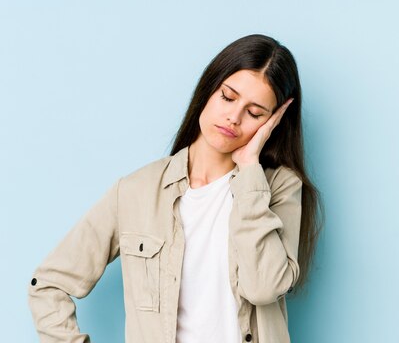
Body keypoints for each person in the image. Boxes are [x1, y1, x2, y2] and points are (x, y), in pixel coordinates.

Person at [27, 34, 322, 343]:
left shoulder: (279, 187)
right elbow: (47, 284)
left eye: (254, 113)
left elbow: (263, 287)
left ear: (272, 122)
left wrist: (250, 168)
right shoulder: (135, 192)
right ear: (209, 88)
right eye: (228, 97)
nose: (233, 118)